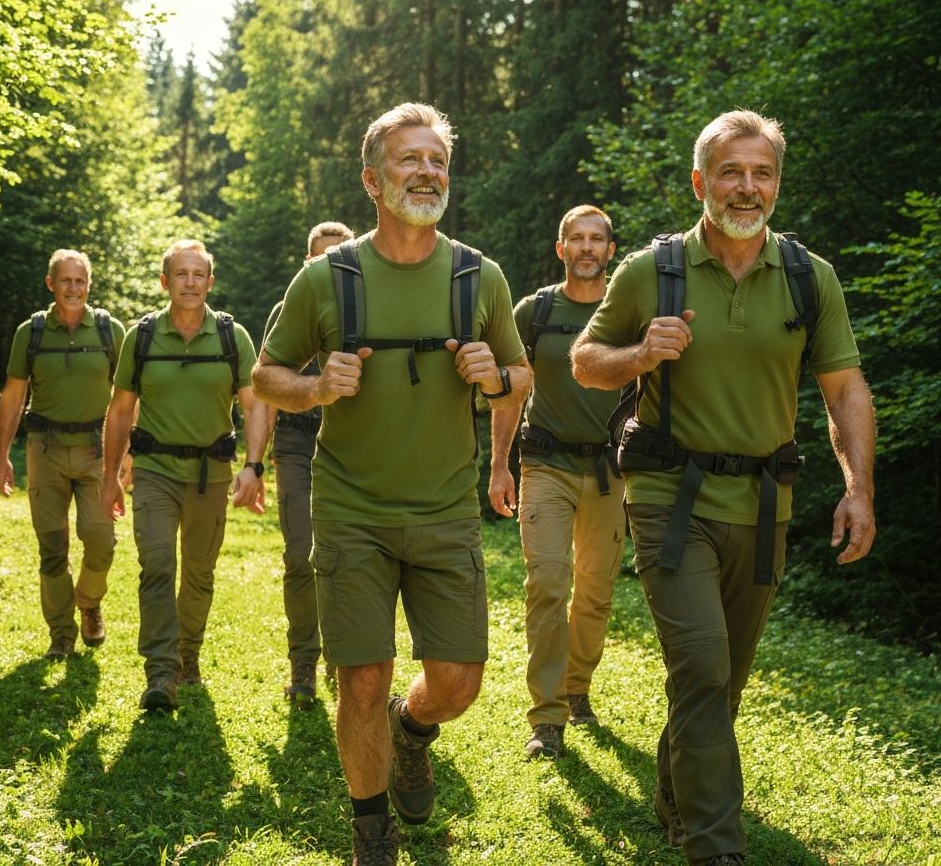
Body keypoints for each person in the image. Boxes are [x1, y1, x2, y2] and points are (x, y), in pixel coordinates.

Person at [570, 110, 876, 866]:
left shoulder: (810, 277)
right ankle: (716, 849)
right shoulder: (653, 270)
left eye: (762, 172)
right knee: (702, 664)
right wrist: (641, 351)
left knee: (725, 679)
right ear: (701, 182)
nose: (747, 187)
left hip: (766, 501)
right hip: (670, 495)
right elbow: (584, 360)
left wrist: (858, 488)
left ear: (776, 184)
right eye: (731, 173)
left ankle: (677, 789)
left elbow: (844, 390)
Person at [253, 103, 530, 866]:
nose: (427, 171)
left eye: (437, 159)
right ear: (373, 179)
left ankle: (416, 733)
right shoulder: (326, 279)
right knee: (364, 680)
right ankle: (370, 831)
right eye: (410, 159)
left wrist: (496, 375)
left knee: (458, 682)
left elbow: (522, 377)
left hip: (444, 509)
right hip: (352, 510)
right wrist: (314, 388)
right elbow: (265, 375)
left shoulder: (480, 275)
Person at [101, 239, 265, 713]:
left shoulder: (234, 338)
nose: (190, 283)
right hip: (153, 471)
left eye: (198, 275)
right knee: (156, 564)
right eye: (181, 274)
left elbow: (254, 406)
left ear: (210, 282)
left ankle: (187, 653)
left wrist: (254, 466)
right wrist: (111, 475)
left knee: (198, 572)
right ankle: (160, 671)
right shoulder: (142, 336)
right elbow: (120, 409)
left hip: (210, 475)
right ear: (165, 281)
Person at [489, 205, 626, 760]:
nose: (588, 247)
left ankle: (577, 689)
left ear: (611, 250)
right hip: (544, 465)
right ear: (561, 248)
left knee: (594, 592)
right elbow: (510, 392)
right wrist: (500, 465)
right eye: (578, 238)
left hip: (610, 473)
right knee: (547, 584)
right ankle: (546, 719)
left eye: (598, 239)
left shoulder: (627, 312)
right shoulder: (535, 312)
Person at [0, 250, 126, 660]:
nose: (73, 288)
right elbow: (14, 396)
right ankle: (61, 635)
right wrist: (2, 455)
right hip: (44, 450)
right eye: (65, 281)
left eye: (80, 281)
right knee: (52, 548)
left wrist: (126, 457)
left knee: (101, 539)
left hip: (96, 451)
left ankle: (89, 601)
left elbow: (128, 399)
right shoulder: (29, 333)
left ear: (89, 284)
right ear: (51, 284)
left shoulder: (109, 331)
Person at [257, 220, 355, 709]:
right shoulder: (288, 307)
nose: (328, 263)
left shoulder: (367, 304)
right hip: (297, 445)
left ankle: (346, 659)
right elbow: (265, 386)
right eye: (319, 256)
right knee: (301, 554)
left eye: (338, 254)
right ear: (307, 261)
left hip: (356, 448)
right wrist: (254, 461)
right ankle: (304, 664)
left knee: (349, 560)